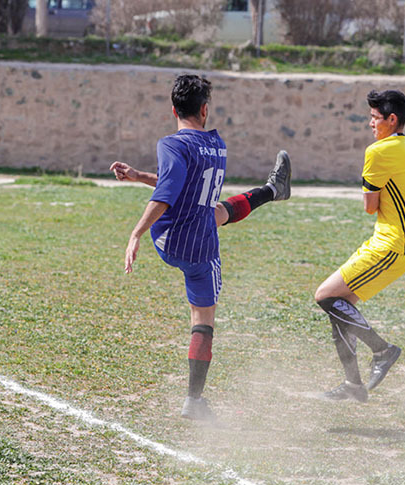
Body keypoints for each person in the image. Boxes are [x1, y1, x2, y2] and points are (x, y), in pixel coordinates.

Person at [111, 74, 291, 421]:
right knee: (203, 319)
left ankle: (273, 190)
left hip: (169, 239)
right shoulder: (217, 146)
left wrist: (136, 232)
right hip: (201, 249)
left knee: (214, 212)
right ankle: (194, 401)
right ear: (205, 110)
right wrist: (140, 177)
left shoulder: (171, 144)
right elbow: (176, 185)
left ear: (173, 109)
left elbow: (167, 191)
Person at [314, 89, 405, 402]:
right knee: (340, 307)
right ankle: (353, 386)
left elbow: (369, 206)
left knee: (325, 295)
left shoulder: (378, 151)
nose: (370, 124)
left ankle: (383, 350)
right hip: (396, 245)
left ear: (392, 119)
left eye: (375, 118)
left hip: (388, 246)